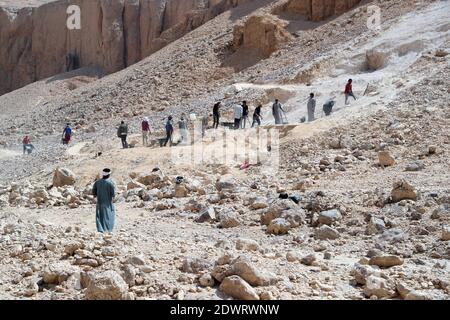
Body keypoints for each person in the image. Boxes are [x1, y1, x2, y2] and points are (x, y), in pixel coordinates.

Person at [92, 168, 116, 233]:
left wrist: (97, 196)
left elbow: (94, 192)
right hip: (108, 203)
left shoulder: (97, 182)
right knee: (109, 216)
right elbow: (113, 194)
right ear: (108, 175)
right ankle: (108, 229)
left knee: (99, 216)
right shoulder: (110, 183)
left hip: (99, 202)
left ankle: (100, 229)